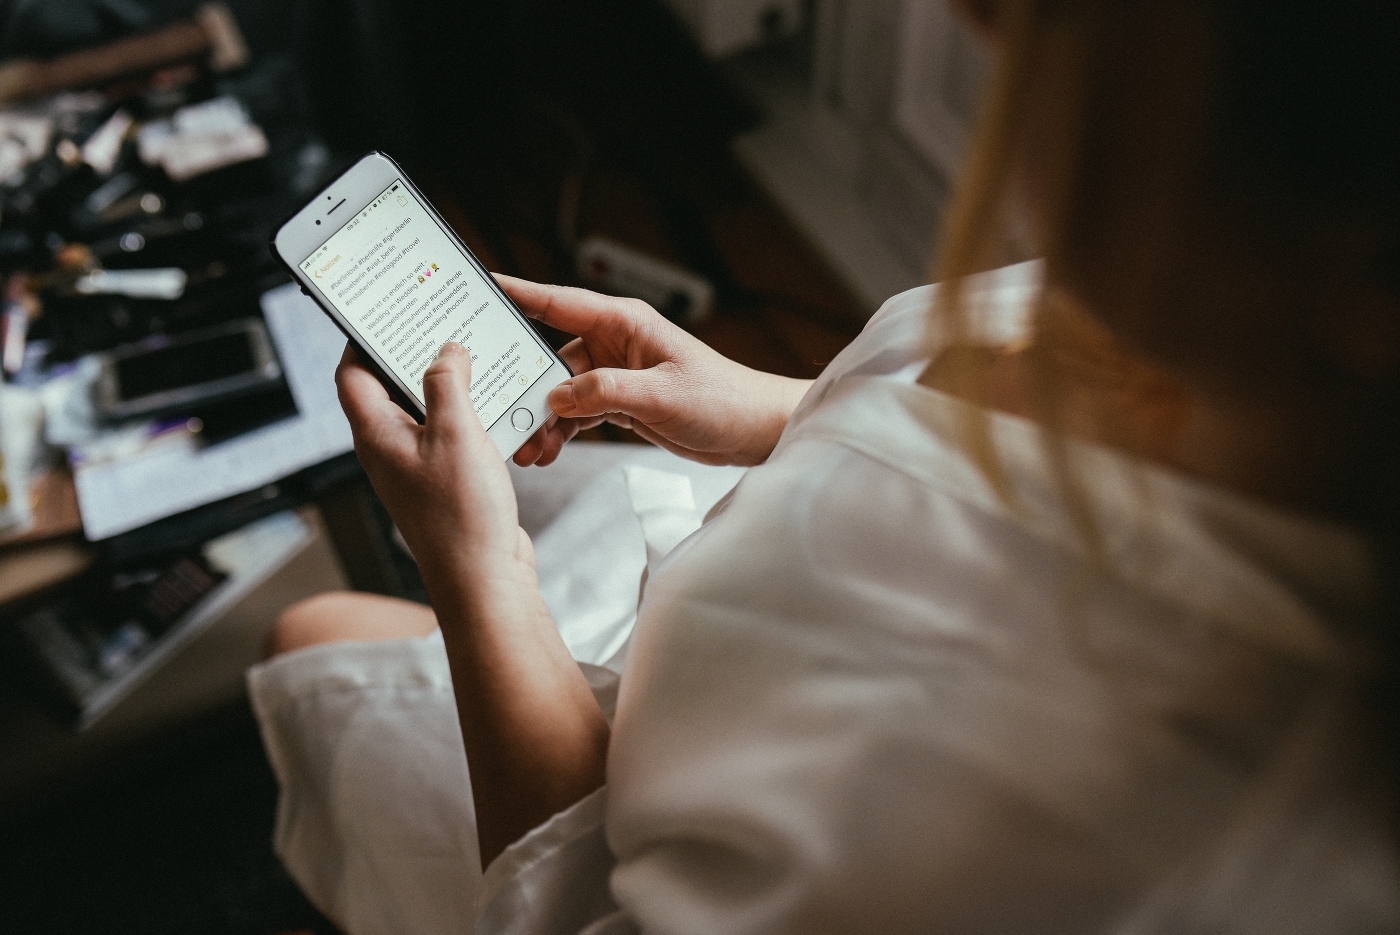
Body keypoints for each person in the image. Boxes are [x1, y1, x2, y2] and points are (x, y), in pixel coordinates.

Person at [248, 0, 1400, 932]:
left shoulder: (1114, 833)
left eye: (1067, 19)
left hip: (609, 810)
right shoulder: (1229, 328)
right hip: (720, 618)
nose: (978, 19)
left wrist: (475, 571)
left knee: (306, 636)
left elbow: (585, 908)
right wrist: (789, 407)